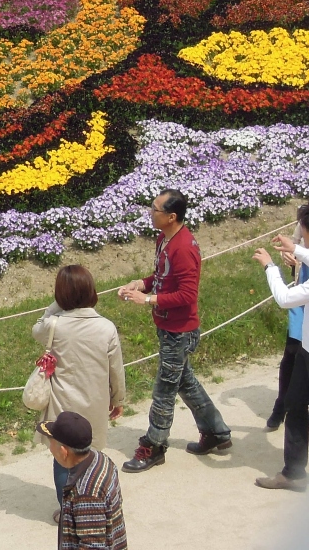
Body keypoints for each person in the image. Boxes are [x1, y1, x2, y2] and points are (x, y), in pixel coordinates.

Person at [118, 188, 231, 472]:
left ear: (171, 216)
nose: (150, 213)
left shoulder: (184, 248)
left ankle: (154, 446)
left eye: (155, 209)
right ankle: (217, 432)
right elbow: (161, 276)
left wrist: (148, 299)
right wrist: (140, 284)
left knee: (164, 390)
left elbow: (187, 295)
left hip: (179, 332)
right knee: (185, 382)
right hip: (167, 326)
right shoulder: (164, 239)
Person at [34, 265, 126, 521]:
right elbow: (116, 369)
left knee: (63, 457)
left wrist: (56, 304)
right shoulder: (107, 327)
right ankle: (93, 505)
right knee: (92, 454)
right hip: (96, 402)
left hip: (63, 404)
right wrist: (118, 399)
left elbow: (36, 329)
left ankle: (69, 511)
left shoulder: (55, 325)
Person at [253, 228, 309, 491]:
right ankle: (294, 473)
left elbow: (285, 298)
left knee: (296, 405)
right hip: (306, 350)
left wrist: (270, 267)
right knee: (295, 404)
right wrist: (295, 249)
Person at [39, 411, 128, 550]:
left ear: (64, 452)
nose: (49, 448)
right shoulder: (100, 458)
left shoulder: (86, 494)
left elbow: (92, 546)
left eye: (51, 443)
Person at [268, 205, 309, 432]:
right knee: (292, 352)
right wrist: (290, 254)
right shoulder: (306, 216)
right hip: (302, 285)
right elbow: (296, 241)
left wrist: (269, 267)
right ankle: (281, 405)